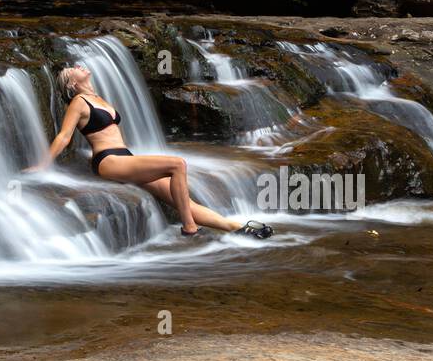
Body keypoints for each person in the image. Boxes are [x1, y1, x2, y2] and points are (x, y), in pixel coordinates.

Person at [25, 64, 273, 239]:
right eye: (74, 68)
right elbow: (64, 136)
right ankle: (189, 229)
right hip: (107, 161)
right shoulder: (79, 103)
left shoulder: (99, 98)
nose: (80, 66)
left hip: (125, 157)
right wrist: (43, 165)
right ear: (72, 83)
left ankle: (237, 228)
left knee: (183, 200)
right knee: (177, 165)